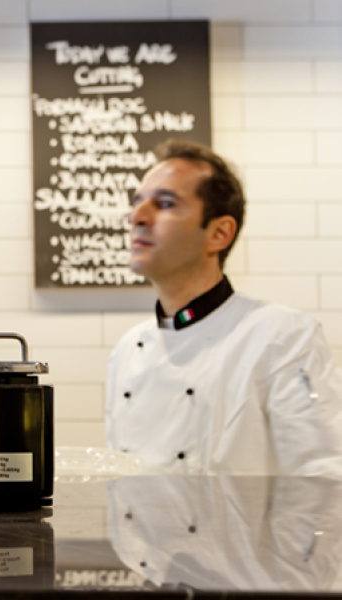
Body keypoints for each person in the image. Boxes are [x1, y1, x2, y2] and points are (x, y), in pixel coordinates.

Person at [105, 139, 342, 478]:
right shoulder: (127, 350)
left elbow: (321, 477)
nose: (136, 217)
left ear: (219, 233)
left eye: (166, 203)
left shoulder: (282, 336)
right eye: (137, 202)